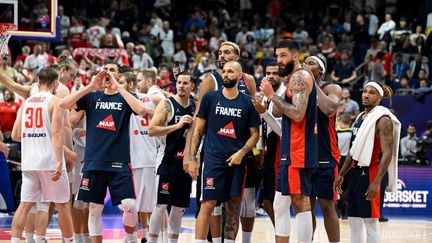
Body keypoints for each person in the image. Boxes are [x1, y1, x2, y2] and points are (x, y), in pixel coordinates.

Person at [59, 62, 151, 243]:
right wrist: (90, 86)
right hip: (94, 160)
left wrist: (118, 87)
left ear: (119, 75)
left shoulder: (125, 98)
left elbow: (141, 110)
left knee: (130, 205)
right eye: (105, 70)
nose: (108, 73)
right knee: (94, 208)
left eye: (113, 70)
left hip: (119, 161)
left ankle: (131, 237)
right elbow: (64, 104)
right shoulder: (93, 97)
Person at [184, 41, 256, 243]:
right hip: (213, 151)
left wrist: (253, 152)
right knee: (210, 203)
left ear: (237, 56)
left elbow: (253, 120)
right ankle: (213, 240)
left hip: (240, 152)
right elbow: (197, 123)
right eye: (220, 52)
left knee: (238, 202)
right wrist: (190, 155)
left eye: (227, 52)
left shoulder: (248, 81)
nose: (222, 55)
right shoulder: (211, 81)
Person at [260, 39, 317, 243]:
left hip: (298, 148)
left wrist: (271, 94)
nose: (279, 60)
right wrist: (275, 96)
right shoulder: (291, 79)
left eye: (283, 55)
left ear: (295, 56)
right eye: (277, 55)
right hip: (290, 148)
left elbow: (298, 114)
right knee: (279, 204)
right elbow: (278, 110)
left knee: (300, 202)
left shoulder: (300, 77)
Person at [9, 67, 74, 243]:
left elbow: (16, 135)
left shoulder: (26, 102)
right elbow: (57, 134)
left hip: (29, 161)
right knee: (62, 206)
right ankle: (69, 241)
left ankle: (15, 241)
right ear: (55, 83)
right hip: (49, 161)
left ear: (38, 82)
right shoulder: (55, 101)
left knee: (24, 205)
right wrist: (60, 161)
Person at [335, 82, 401, 243]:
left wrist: (377, 182)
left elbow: (388, 153)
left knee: (370, 222)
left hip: (372, 173)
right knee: (353, 220)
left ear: (379, 98)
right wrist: (341, 174)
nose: (366, 95)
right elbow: (352, 150)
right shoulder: (359, 118)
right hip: (355, 172)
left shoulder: (383, 120)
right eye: (365, 91)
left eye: (371, 92)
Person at [147, 72, 195, 243]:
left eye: (185, 83)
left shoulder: (195, 107)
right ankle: (152, 240)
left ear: (192, 86)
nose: (181, 85)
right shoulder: (167, 104)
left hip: (185, 163)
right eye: (179, 82)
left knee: (179, 208)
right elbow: (151, 130)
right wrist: (178, 125)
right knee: (160, 206)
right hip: (166, 162)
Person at [305, 54, 342, 243]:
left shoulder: (331, 88)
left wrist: (312, 84)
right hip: (304, 154)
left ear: (321, 70)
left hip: (326, 154)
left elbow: (329, 109)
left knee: (327, 206)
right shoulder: (300, 89)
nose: (306, 65)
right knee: (306, 207)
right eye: (305, 62)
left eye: (311, 63)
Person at [251, 62, 285, 226]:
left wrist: (263, 112)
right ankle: (280, 233)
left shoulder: (284, 94)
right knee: (266, 201)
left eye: (275, 73)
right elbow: (262, 125)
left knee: (277, 202)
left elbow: (281, 131)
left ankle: (284, 235)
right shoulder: (265, 96)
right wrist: (259, 151)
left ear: (282, 75)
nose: (271, 76)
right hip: (269, 150)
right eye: (268, 73)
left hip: (282, 149)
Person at [131, 70, 160, 242]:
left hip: (138, 155)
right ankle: (146, 234)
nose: (139, 82)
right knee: (146, 203)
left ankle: (135, 236)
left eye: (140, 79)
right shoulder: (154, 98)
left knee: (135, 203)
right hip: (148, 155)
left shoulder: (132, 99)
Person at [336, 113, 353, 219]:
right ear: (349, 122)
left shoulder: (335, 132)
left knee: (337, 185)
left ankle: (337, 207)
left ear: (340, 121)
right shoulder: (352, 133)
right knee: (347, 186)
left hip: (337, 160)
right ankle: (344, 210)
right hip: (348, 161)